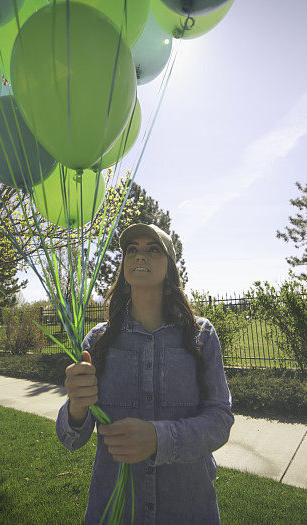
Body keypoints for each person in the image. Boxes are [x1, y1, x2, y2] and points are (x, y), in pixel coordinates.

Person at [56, 223, 234, 524]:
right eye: (132, 250)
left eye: (153, 250)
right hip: (115, 510)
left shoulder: (201, 335)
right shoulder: (97, 341)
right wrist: (76, 407)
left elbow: (220, 420)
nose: (140, 256)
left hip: (189, 507)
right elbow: (71, 440)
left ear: (170, 267)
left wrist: (159, 438)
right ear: (124, 265)